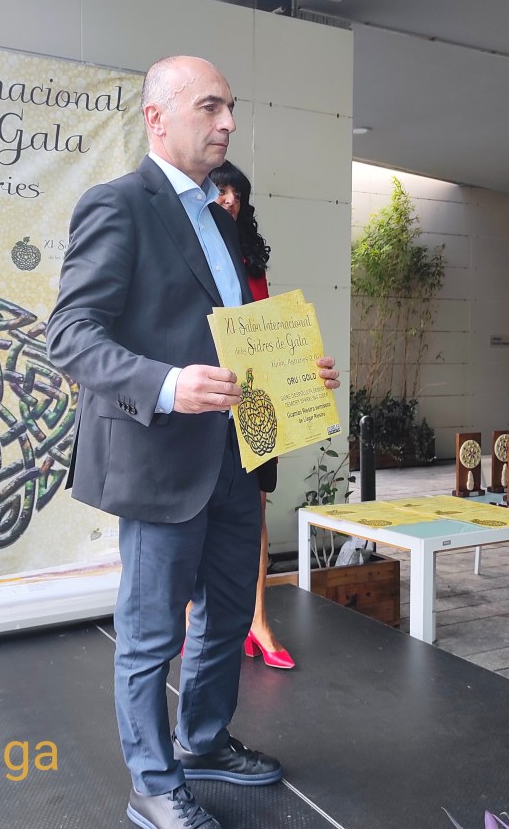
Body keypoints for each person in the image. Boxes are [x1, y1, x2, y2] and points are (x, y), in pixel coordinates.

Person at [47, 55, 340, 829]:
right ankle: (152, 783)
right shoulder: (118, 205)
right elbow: (70, 336)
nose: (229, 123)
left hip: (238, 456)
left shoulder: (222, 218)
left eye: (230, 107)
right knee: (150, 635)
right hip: (162, 459)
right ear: (157, 116)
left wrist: (296, 371)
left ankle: (202, 742)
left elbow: (233, 335)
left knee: (227, 615)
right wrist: (170, 384)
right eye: (210, 106)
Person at [210, 159, 294, 670]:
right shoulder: (190, 249)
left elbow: (269, 335)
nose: (230, 200)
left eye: (237, 194)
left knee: (255, 515)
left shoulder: (251, 262)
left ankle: (257, 621)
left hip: (255, 403)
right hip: (204, 404)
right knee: (199, 516)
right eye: (222, 191)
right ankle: (198, 619)